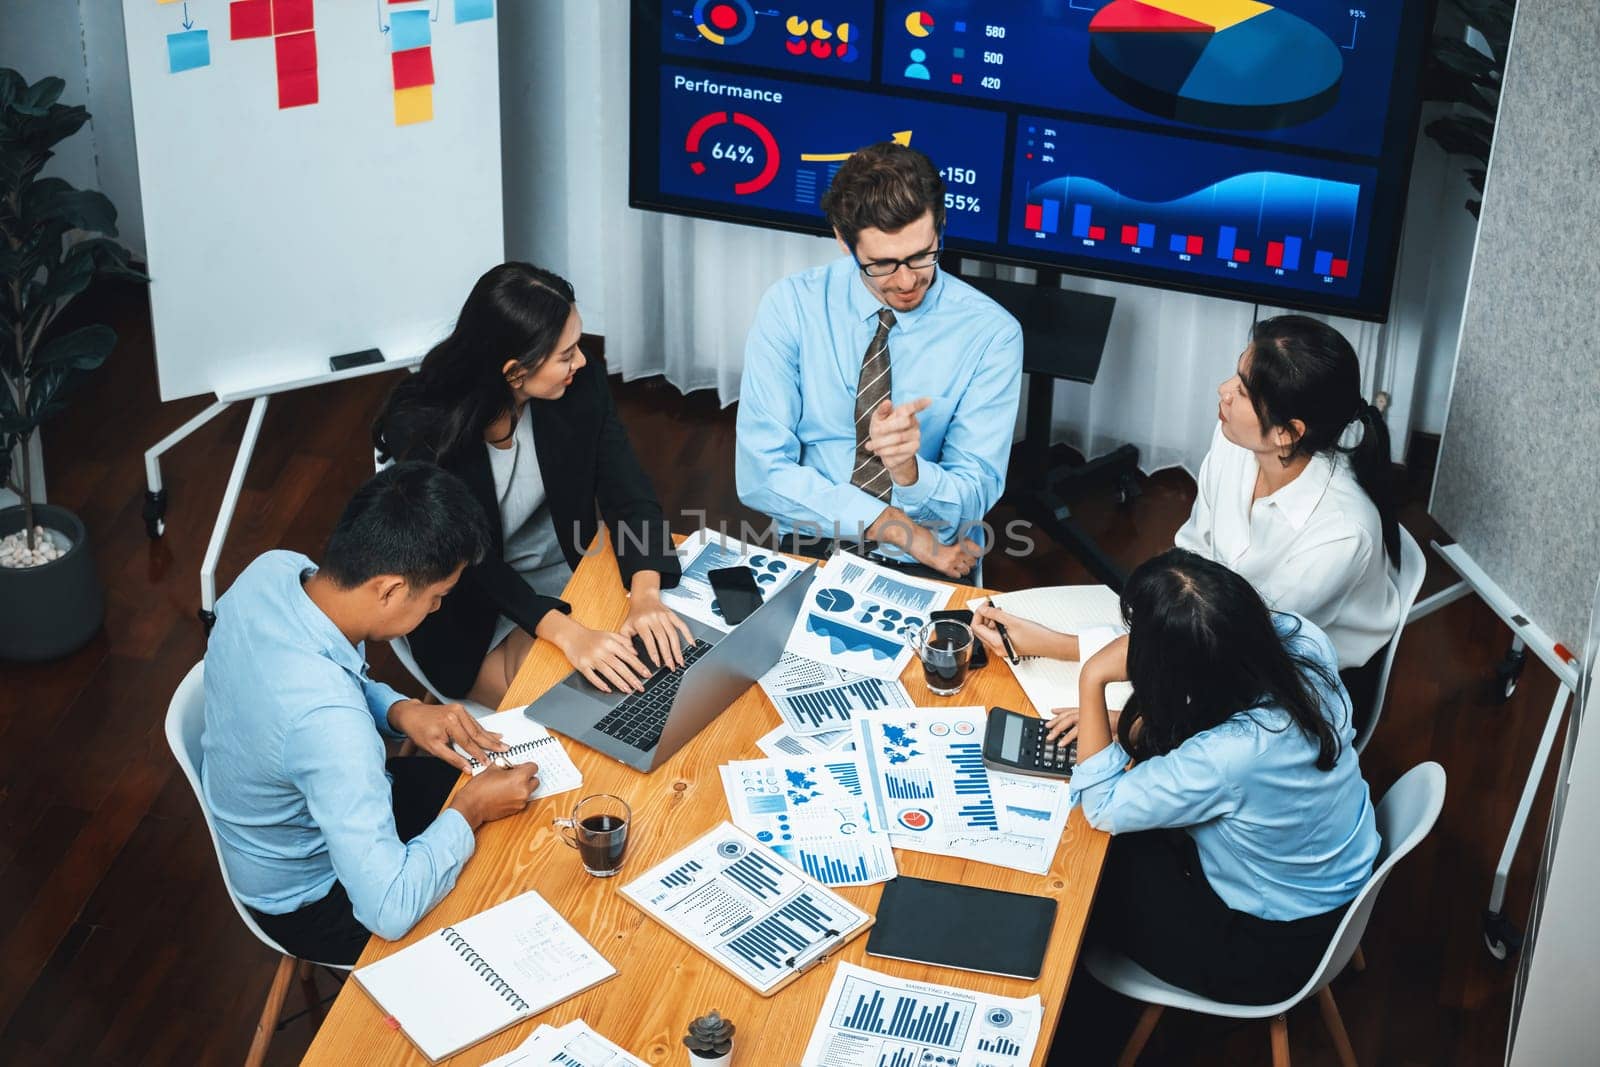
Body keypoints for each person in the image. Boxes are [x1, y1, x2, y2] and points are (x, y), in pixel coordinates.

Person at [975, 314, 1400, 719]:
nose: (1222, 390)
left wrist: (1072, 658)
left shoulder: (1341, 534)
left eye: (1244, 392)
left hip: (1294, 683)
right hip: (1220, 637)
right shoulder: (1237, 439)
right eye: (1235, 373)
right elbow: (1195, 553)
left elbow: (1230, 646)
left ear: (1288, 432)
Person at [202, 462, 543, 965]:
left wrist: (400, 711)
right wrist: (469, 810)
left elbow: (313, 683)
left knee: (510, 813)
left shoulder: (271, 572)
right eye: (436, 597)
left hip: (276, 823)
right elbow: (387, 908)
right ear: (387, 588)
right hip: (316, 899)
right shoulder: (334, 730)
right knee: (518, 889)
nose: (435, 611)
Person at [1060, 549, 1379, 1006]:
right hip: (1338, 876)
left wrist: (1092, 679)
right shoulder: (1301, 639)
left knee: (1091, 869)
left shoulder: (1229, 756)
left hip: (1271, 947)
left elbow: (1102, 806)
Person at [374, 263, 690, 706]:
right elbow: (468, 561)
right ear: (514, 372)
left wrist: (646, 594)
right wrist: (567, 633)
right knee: (586, 704)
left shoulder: (580, 385)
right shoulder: (422, 426)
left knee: (655, 668)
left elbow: (627, 490)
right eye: (566, 354)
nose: (580, 361)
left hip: (560, 575)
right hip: (467, 604)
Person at [735, 141, 1023, 581]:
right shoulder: (790, 306)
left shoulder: (992, 334)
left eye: (922, 255)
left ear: (940, 229)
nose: (907, 281)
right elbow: (760, 473)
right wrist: (895, 528)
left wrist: (909, 472)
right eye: (882, 264)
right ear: (842, 241)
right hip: (814, 533)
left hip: (937, 553)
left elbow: (972, 496)